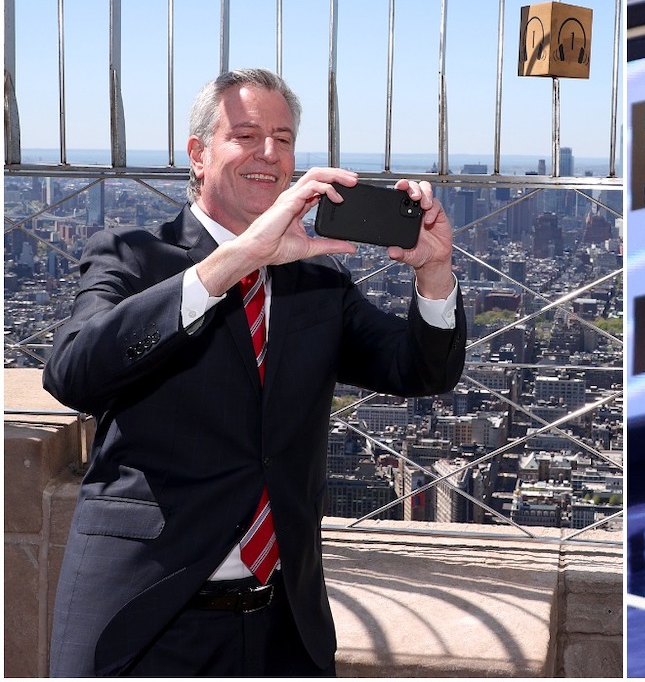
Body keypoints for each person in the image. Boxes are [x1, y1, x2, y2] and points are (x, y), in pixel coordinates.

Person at [44, 68, 467, 676]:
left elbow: (420, 370)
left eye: (284, 138)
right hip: (146, 618)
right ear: (198, 154)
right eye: (245, 135)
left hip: (283, 627)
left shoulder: (319, 282)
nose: (269, 154)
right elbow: (73, 373)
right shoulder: (132, 254)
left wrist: (433, 274)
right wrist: (236, 259)